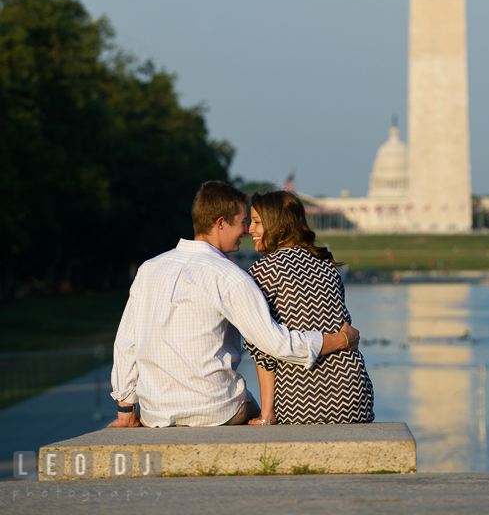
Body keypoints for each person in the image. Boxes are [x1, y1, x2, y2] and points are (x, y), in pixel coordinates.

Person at [108, 181, 359, 427]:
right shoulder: (230, 275)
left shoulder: (149, 269)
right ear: (220, 223)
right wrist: (339, 340)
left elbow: (125, 343)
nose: (247, 230)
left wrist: (126, 409)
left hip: (156, 413)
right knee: (263, 417)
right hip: (218, 410)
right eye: (242, 222)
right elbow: (274, 342)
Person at [245, 190, 374, 425]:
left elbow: (262, 348)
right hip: (356, 394)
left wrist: (267, 414)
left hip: (305, 397)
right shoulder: (326, 265)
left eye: (256, 222)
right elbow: (346, 329)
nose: (249, 229)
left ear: (279, 228)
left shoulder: (262, 271)